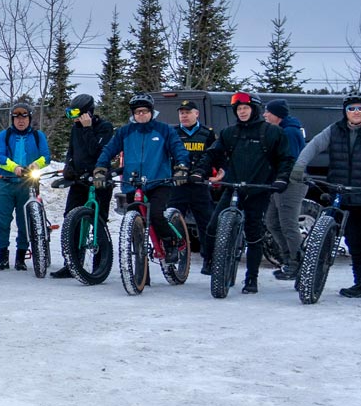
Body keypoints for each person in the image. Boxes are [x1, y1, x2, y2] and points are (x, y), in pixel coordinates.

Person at [292, 93, 361, 303]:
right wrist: (299, 166)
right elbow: (313, 146)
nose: (356, 112)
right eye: (351, 109)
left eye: (360, 108)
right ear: (345, 112)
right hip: (346, 197)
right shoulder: (334, 130)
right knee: (354, 242)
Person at [207, 92, 295, 294]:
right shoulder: (230, 132)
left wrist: (281, 178)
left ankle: (251, 279)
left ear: (254, 109)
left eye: (245, 108)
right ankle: (214, 264)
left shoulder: (272, 133)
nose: (242, 112)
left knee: (254, 234)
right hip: (233, 187)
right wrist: (198, 170)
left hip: (258, 190)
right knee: (213, 225)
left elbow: (285, 159)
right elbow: (213, 152)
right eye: (238, 109)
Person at [94, 94, 188, 278]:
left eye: (144, 111)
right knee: (135, 223)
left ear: (151, 112)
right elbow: (109, 149)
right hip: (133, 184)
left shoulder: (164, 130)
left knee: (155, 215)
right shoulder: (125, 132)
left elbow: (178, 149)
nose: (141, 115)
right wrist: (100, 167)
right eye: (137, 112)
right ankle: (142, 273)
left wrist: (181, 167)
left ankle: (171, 242)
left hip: (159, 182)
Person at [51, 93, 117, 279]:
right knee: (71, 219)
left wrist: (88, 129)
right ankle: (72, 263)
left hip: (100, 180)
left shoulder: (104, 128)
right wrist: (68, 167)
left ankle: (99, 265)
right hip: (79, 181)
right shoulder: (75, 129)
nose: (74, 118)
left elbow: (98, 152)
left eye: (76, 114)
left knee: (98, 221)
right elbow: (72, 151)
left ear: (87, 113)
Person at [0, 101, 51, 271]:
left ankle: (21, 257)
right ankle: (3, 256)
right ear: (12, 119)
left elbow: (46, 157)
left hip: (28, 185)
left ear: (29, 118)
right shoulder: (4, 135)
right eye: (16, 117)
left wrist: (35, 165)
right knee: (3, 221)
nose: (20, 121)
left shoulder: (38, 136)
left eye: (24, 117)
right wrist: (14, 167)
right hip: (6, 183)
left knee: (24, 222)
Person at [169, 99, 217, 272]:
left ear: (196, 114)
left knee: (206, 223)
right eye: (181, 112)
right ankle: (173, 252)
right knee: (172, 219)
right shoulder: (173, 133)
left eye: (188, 112)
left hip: (199, 185)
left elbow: (213, 156)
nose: (184, 115)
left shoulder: (207, 133)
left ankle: (209, 259)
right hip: (178, 184)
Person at [264, 98, 310, 280]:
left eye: (268, 112)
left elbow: (288, 159)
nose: (265, 115)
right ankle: (288, 258)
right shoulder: (281, 130)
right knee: (272, 222)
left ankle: (298, 262)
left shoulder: (290, 132)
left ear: (277, 114)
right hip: (278, 182)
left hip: (291, 183)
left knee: (288, 224)